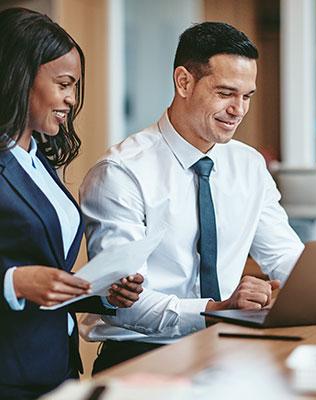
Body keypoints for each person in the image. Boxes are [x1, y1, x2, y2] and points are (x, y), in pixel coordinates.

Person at [80, 21, 304, 374]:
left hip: (229, 351)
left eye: (247, 96)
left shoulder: (249, 166)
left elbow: (285, 256)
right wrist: (217, 309)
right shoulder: (121, 172)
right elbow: (124, 303)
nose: (239, 110)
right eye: (226, 93)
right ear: (184, 82)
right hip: (142, 359)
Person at [0, 8, 144, 400]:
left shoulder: (36, 159)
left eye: (75, 86)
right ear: (19, 76)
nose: (71, 99)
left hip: (56, 365)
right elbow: (24, 274)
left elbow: (45, 265)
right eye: (64, 84)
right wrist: (14, 282)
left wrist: (100, 291)